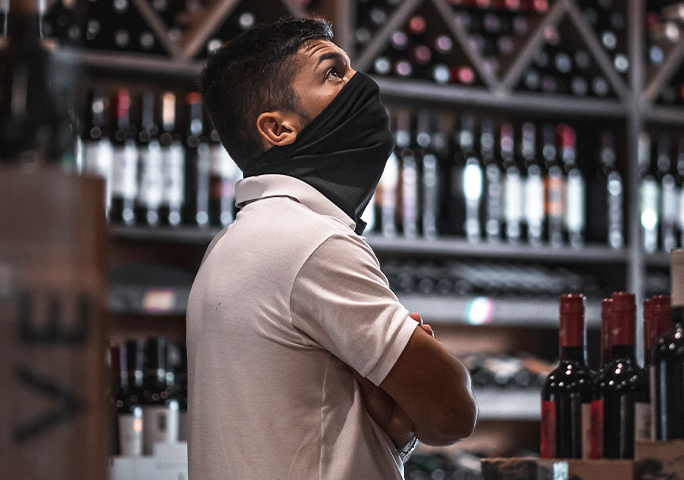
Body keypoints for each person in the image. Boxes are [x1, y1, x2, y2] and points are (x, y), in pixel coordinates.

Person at [187, 17, 477, 480]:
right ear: (278, 127)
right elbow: (453, 413)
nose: (361, 85)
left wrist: (392, 436)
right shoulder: (312, 244)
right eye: (333, 73)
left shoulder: (231, 244)